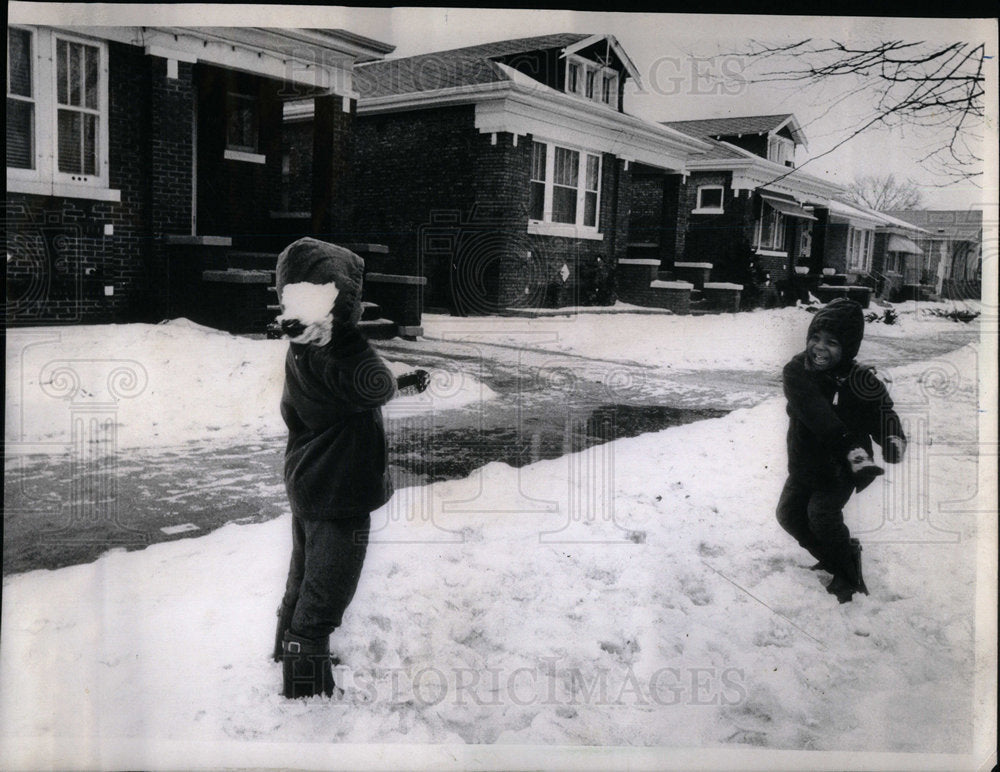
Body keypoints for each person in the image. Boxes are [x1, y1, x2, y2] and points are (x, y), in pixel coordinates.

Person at [270, 237, 421, 699]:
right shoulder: (338, 347)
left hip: (313, 481)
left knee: (305, 575)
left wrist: (399, 382)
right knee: (329, 588)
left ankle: (285, 649)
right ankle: (305, 687)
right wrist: (353, 338)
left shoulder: (306, 346)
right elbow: (370, 384)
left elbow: (358, 391)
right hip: (339, 490)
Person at [776, 298, 907, 603]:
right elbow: (817, 413)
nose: (820, 347)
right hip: (805, 464)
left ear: (848, 348)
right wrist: (849, 444)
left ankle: (848, 575)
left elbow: (883, 412)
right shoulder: (797, 372)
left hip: (842, 470)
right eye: (815, 338)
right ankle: (837, 556)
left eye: (832, 342)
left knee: (822, 515)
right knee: (789, 516)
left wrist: (892, 439)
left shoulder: (862, 380)